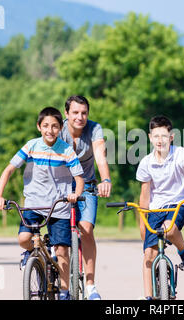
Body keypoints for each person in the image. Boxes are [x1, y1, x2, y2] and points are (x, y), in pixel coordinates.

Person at [0, 106, 85, 300]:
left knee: (61, 249)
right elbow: (9, 169)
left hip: (59, 206)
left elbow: (79, 178)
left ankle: (64, 292)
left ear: (61, 128)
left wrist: (75, 194)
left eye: (54, 126)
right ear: (38, 127)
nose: (49, 130)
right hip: (34, 204)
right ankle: (37, 256)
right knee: (24, 239)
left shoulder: (66, 150)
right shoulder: (31, 146)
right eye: (45, 126)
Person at [136, 115, 184, 300]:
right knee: (148, 255)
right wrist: (143, 223)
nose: (160, 140)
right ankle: (148, 297)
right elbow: (145, 195)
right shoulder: (146, 163)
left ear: (171, 137)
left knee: (169, 228)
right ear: (150, 137)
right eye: (156, 136)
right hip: (156, 208)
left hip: (180, 202)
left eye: (164, 136)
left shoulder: (181, 153)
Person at [58, 95, 111, 300]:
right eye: (75, 113)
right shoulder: (59, 130)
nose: (80, 117)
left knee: (86, 229)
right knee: (59, 236)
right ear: (67, 114)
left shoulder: (94, 129)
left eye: (84, 113)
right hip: (61, 187)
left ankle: (90, 285)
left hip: (87, 186)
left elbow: (100, 156)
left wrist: (105, 179)